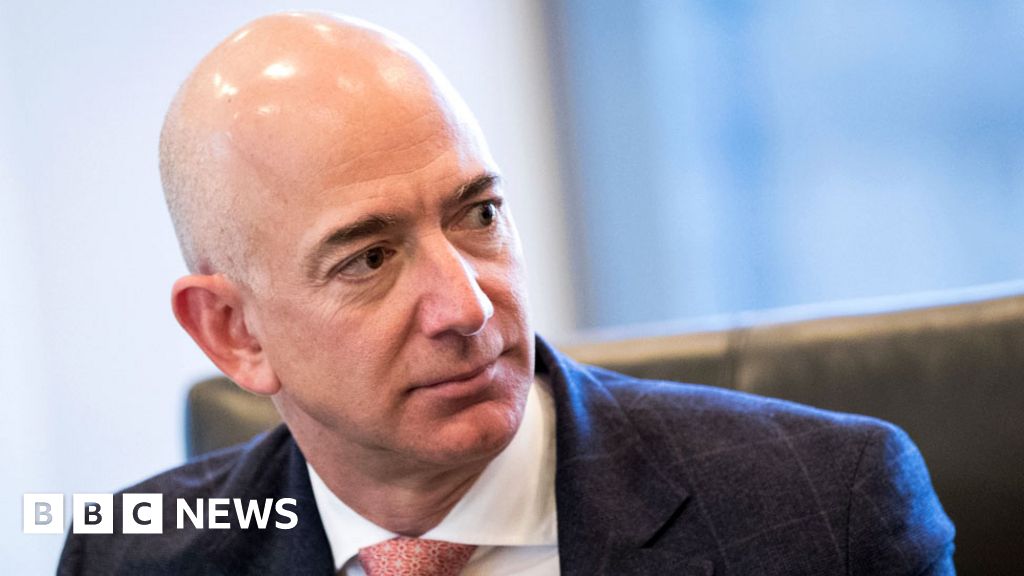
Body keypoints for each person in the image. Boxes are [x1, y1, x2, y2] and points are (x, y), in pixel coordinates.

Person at [58, 12, 955, 576]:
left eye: (478, 214)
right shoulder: (130, 555)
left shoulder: (827, 512)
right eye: (369, 259)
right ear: (234, 333)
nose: (469, 309)